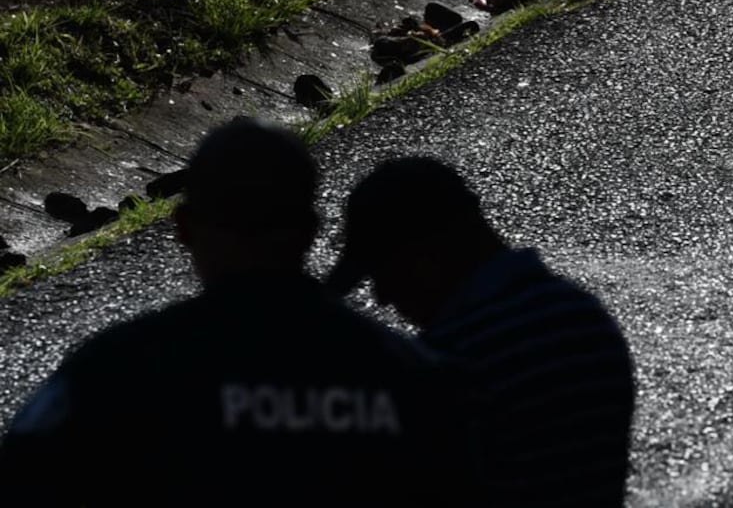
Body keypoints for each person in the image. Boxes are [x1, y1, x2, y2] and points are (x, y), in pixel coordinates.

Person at [0, 118, 476, 507]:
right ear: (311, 230)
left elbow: (25, 475)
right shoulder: (417, 379)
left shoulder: (112, 371)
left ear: (184, 229)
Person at [326, 156, 636, 508]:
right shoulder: (581, 314)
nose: (381, 297)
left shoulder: (448, 359)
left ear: (427, 252)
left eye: (384, 271)